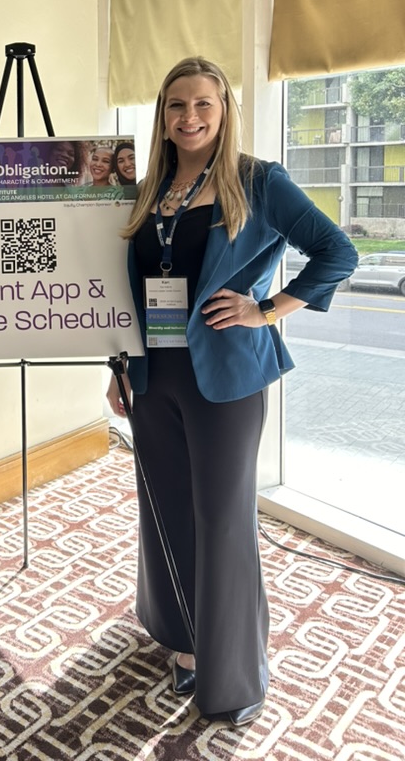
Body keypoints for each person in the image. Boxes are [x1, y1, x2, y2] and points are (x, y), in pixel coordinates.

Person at [106, 57, 356, 727]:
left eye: (203, 105)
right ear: (161, 114)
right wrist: (120, 368)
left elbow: (338, 252)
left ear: (224, 110)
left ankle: (233, 676)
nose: (189, 118)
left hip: (227, 378)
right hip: (155, 375)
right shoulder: (150, 185)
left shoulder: (257, 181)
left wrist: (266, 308)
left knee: (222, 522)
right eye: (176, 106)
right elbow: (132, 285)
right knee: (168, 511)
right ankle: (185, 639)